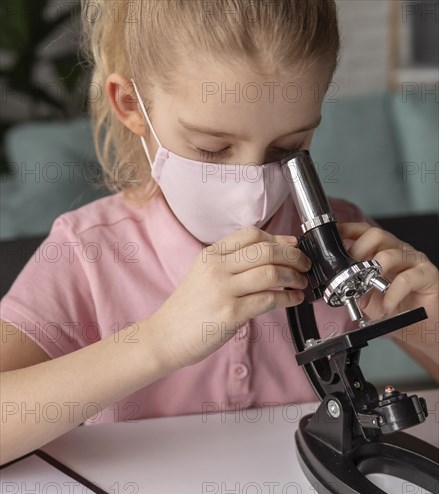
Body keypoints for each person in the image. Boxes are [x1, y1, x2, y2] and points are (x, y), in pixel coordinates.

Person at [1, 0, 437, 467]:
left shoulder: (344, 241)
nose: (252, 187)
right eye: (212, 148)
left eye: (287, 148)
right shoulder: (86, 253)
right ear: (132, 106)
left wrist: (429, 322)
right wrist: (158, 343)